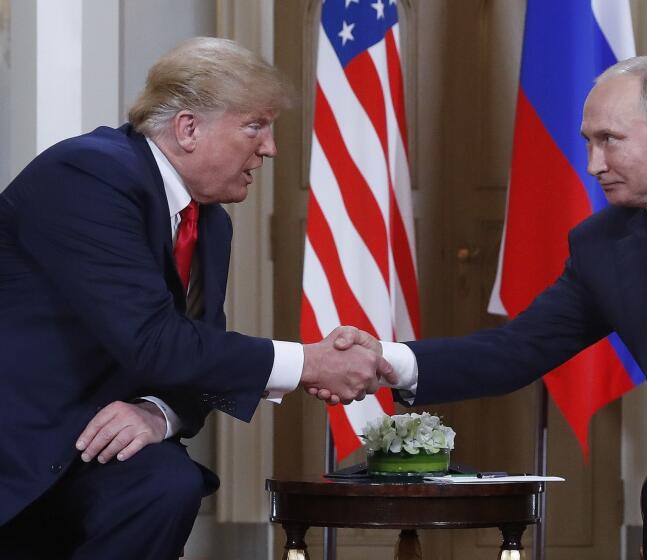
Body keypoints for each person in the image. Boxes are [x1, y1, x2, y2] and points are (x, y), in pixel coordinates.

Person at [324, 56, 647, 558]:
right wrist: (389, 361)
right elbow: (516, 350)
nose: (593, 164)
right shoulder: (604, 247)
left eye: (609, 140)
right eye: (588, 143)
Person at [0, 37, 392, 559]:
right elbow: (154, 341)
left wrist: (158, 413)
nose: (270, 147)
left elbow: (196, 352)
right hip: (18, 437)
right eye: (255, 125)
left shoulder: (209, 225)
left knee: (167, 483)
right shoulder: (90, 175)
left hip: (90, 443)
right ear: (188, 128)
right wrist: (307, 362)